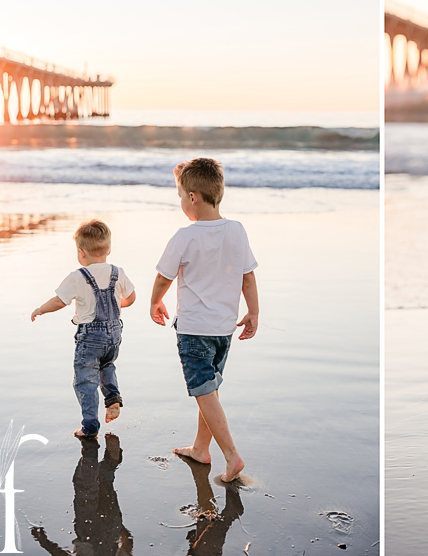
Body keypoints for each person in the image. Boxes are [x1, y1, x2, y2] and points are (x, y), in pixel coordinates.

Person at [150, 158, 259, 483]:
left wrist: (155, 301)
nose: (181, 202)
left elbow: (163, 277)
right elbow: (248, 278)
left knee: (203, 390)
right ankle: (201, 448)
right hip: (224, 329)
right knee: (208, 390)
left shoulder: (184, 236)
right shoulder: (237, 230)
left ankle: (231, 455)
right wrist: (253, 312)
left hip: (194, 330)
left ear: (193, 197)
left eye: (182, 196)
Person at [32, 219, 136, 438]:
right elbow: (131, 297)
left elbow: (60, 301)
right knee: (106, 365)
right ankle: (113, 398)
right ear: (109, 250)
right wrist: (117, 305)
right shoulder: (118, 272)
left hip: (90, 339)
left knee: (85, 381)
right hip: (114, 335)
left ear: (81, 253)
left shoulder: (78, 277)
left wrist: (40, 309)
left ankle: (89, 427)